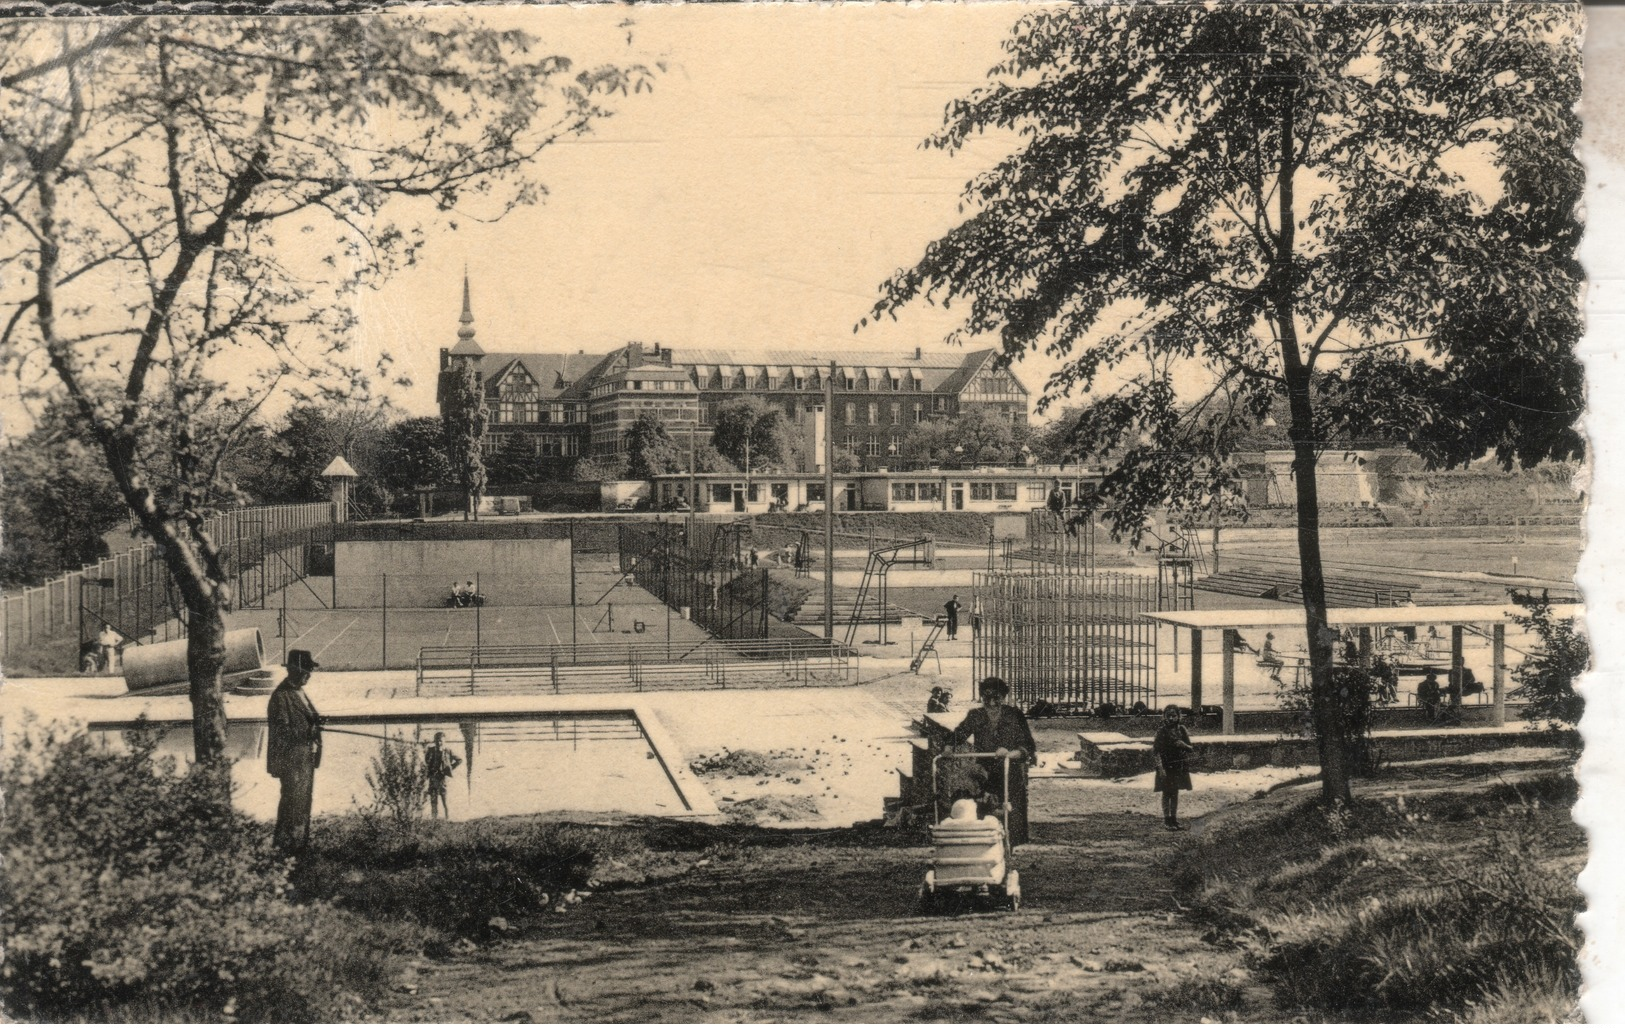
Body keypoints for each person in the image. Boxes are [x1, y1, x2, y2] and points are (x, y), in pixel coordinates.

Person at [947, 677, 1037, 846]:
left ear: (1003, 697)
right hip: (986, 770)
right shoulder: (975, 715)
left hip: (1011, 770)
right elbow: (959, 734)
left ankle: (1011, 845)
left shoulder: (1014, 715)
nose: (992, 702)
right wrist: (948, 747)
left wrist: (1011, 754)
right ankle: (985, 842)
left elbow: (1028, 745)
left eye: (997, 697)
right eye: (987, 697)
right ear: (982, 697)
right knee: (985, 808)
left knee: (1012, 811)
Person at [267, 650, 323, 853]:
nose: (309, 674)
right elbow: (282, 730)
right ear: (294, 670)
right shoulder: (281, 696)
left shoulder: (298, 691)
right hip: (291, 758)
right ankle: (285, 847)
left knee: (303, 800)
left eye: (309, 671)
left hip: (304, 757)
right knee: (292, 801)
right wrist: (310, 730)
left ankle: (299, 845)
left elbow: (306, 717)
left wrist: (316, 721)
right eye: (306, 670)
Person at [1152, 704, 1196, 831]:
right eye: (1168, 716)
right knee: (1166, 793)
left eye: (1174, 716)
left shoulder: (1182, 730)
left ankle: (1174, 819)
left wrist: (1183, 745)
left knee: (1175, 792)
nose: (1171, 718)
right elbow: (1155, 751)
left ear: (1178, 716)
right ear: (1164, 717)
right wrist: (1160, 768)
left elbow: (1191, 748)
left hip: (1178, 765)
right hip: (1166, 766)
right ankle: (1167, 821)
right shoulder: (1161, 731)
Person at [424, 732, 463, 820]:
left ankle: (447, 819)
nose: (439, 743)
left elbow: (459, 760)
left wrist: (449, 768)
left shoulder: (447, 751)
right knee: (433, 801)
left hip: (442, 778)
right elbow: (426, 761)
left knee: (444, 800)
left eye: (441, 741)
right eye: (437, 740)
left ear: (444, 741)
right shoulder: (431, 750)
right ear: (434, 741)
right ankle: (434, 819)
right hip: (433, 778)